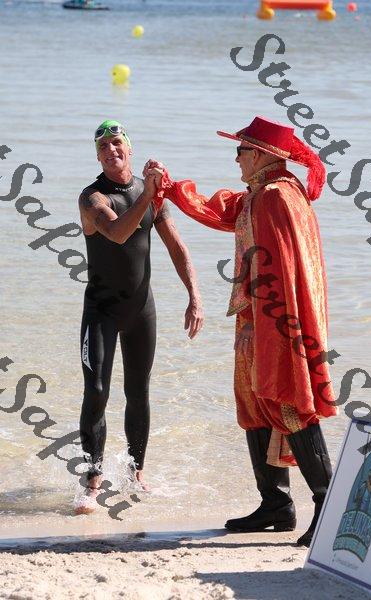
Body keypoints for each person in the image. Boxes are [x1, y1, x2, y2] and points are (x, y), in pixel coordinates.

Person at [145, 116, 338, 547]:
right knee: (254, 403)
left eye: (241, 150)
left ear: (262, 155)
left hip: (276, 320)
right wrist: (170, 187)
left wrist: (269, 326)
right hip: (262, 317)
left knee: (291, 400)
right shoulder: (265, 193)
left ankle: (326, 506)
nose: (236, 158)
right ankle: (276, 504)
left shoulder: (275, 197)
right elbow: (223, 210)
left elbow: (280, 271)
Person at [76, 120, 203, 514]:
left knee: (138, 392)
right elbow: (117, 234)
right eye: (103, 147)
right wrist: (148, 195)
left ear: (129, 149)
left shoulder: (151, 196)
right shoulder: (92, 198)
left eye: (117, 143)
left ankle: (135, 472)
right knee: (97, 390)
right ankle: (93, 479)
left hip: (140, 309)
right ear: (97, 156)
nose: (111, 150)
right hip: (101, 311)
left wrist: (194, 296)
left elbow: (177, 248)